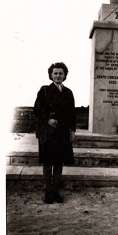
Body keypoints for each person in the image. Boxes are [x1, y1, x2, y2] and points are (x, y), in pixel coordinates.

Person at [34, 62, 76, 204]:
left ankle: (56, 192)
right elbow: (37, 109)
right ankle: (47, 193)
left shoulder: (68, 92)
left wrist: (73, 131)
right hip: (48, 132)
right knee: (47, 162)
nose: (58, 76)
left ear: (65, 75)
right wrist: (48, 120)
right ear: (51, 75)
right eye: (55, 73)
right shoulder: (45, 90)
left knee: (58, 163)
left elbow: (72, 114)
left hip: (63, 132)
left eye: (61, 73)